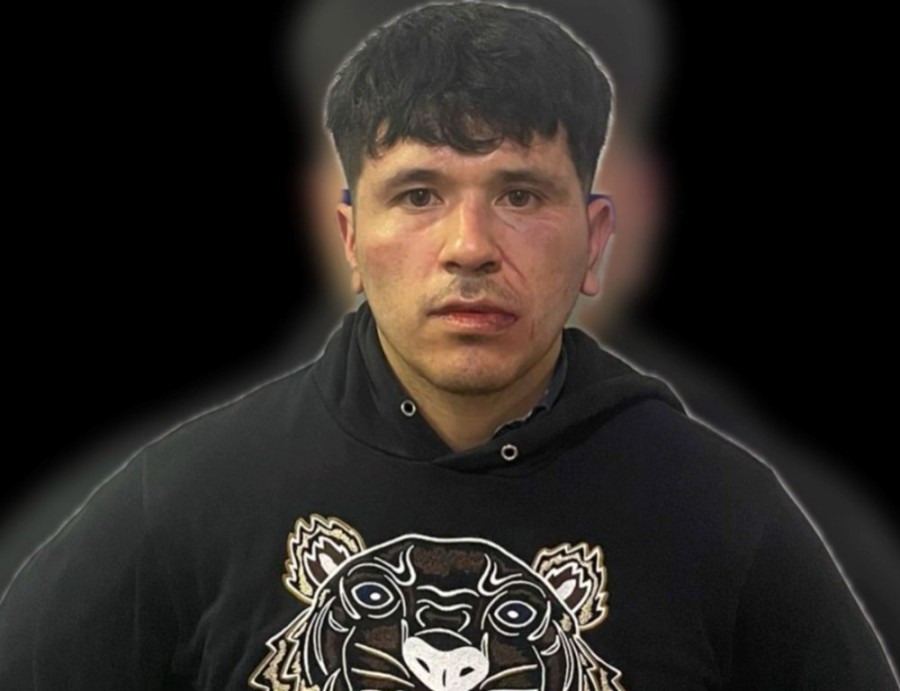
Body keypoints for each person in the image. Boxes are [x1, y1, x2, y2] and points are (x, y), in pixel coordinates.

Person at [0, 2, 896, 689]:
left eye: (520, 195)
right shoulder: (192, 495)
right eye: (419, 194)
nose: (470, 246)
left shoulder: (724, 514)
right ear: (350, 239)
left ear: (595, 242)